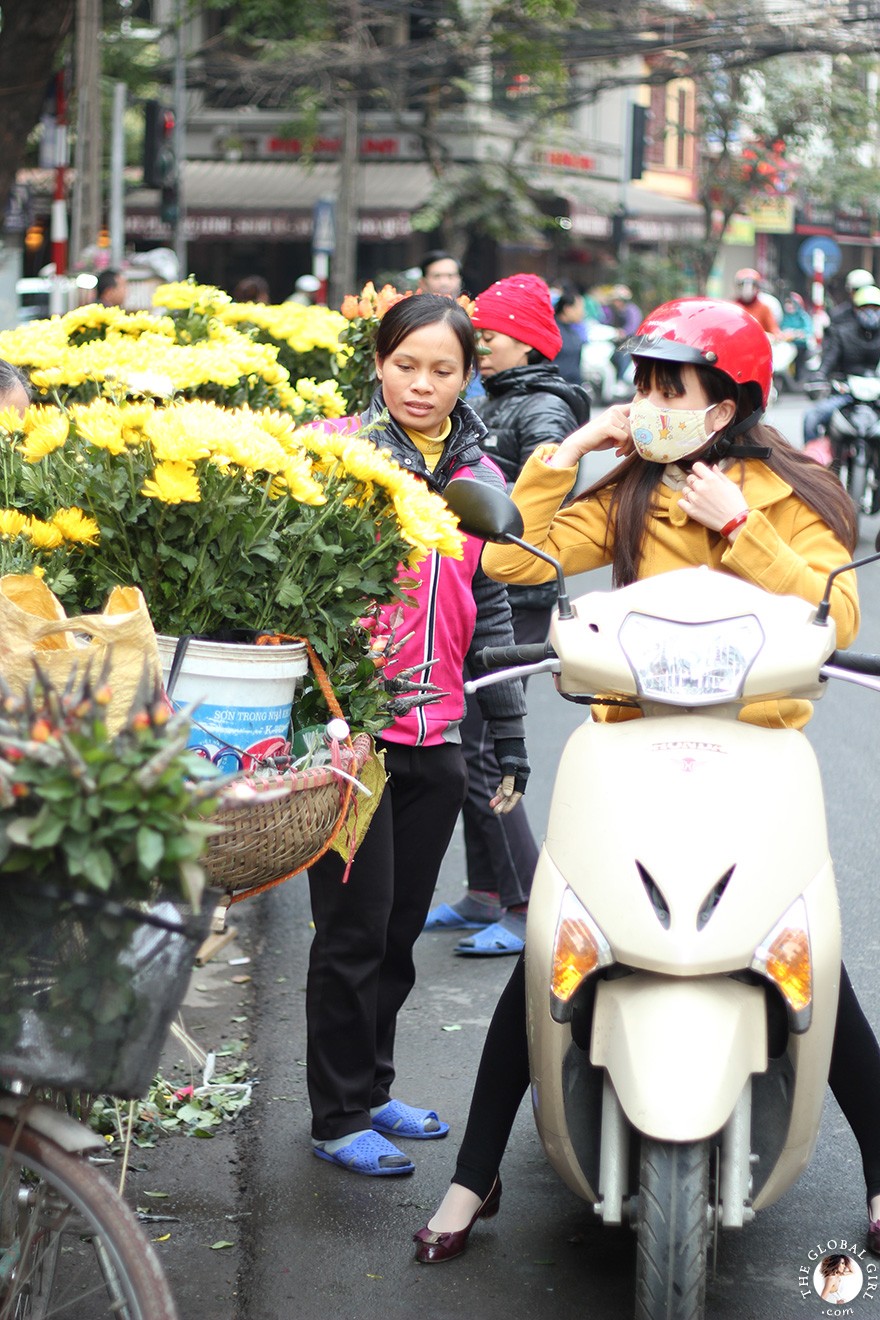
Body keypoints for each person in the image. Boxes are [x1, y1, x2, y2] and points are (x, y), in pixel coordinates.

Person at [412, 297, 880, 1263]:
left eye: (671, 388)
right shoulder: (629, 489)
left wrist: (743, 525)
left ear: (726, 406)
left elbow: (838, 615)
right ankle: (474, 1172)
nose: (650, 403)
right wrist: (577, 443)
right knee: (558, 941)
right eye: (642, 384)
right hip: (631, 751)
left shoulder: (791, 494)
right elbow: (506, 554)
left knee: (805, 952)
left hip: (754, 755)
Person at [305, 293, 529, 1177]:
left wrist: (504, 737)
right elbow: (294, 587)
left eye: (443, 369)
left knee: (397, 929)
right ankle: (334, 1113)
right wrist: (317, 715)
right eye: (406, 365)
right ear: (379, 362)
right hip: (357, 742)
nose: (422, 385)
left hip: (441, 740)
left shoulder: (483, 472)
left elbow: (494, 602)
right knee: (352, 929)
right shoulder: (338, 455)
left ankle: (374, 1086)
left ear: (470, 373)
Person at [423, 274, 590, 956]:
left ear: (523, 342)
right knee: (471, 743)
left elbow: (533, 497)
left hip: (514, 598)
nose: (479, 348)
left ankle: (527, 902)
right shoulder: (503, 397)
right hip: (485, 584)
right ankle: (485, 892)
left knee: (488, 752)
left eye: (487, 338)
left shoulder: (542, 408)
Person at [803, 283, 880, 451]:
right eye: (865, 307)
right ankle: (813, 470)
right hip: (846, 394)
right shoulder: (842, 333)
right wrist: (819, 376)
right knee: (811, 418)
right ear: (855, 310)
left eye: (875, 308)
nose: (871, 312)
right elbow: (827, 362)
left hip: (876, 399)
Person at [553, 287, 588, 385]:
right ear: (567, 309)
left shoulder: (573, 332)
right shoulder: (552, 332)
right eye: (580, 308)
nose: (583, 313)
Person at [732, 267, 780, 336]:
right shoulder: (732, 307)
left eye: (752, 285)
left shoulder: (764, 308)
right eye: (742, 284)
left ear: (758, 287)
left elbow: (774, 332)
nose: (747, 289)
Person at [780, 291, 814, 382]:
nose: (789, 306)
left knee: (800, 365)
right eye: (787, 303)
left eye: (791, 303)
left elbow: (808, 331)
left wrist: (797, 333)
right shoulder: (785, 317)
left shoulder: (803, 317)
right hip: (788, 346)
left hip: (801, 347)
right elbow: (781, 329)